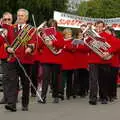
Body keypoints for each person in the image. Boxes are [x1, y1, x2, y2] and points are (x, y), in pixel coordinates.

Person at [36, 19, 64, 103]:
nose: (52, 27)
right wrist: (40, 38)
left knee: (55, 79)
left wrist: (53, 43)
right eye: (51, 25)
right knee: (45, 78)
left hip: (56, 59)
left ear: (56, 26)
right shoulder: (44, 34)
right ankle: (43, 97)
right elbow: (39, 46)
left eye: (54, 25)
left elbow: (61, 45)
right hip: (46, 59)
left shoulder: (59, 34)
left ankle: (55, 96)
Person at [0, 12, 13, 104]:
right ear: (2, 20)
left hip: (14, 55)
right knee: (5, 77)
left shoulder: (15, 28)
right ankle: (5, 96)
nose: (7, 21)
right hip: (4, 55)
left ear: (12, 20)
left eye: (9, 19)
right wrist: (3, 34)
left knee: (13, 78)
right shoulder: (1, 30)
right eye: (5, 19)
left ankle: (13, 96)